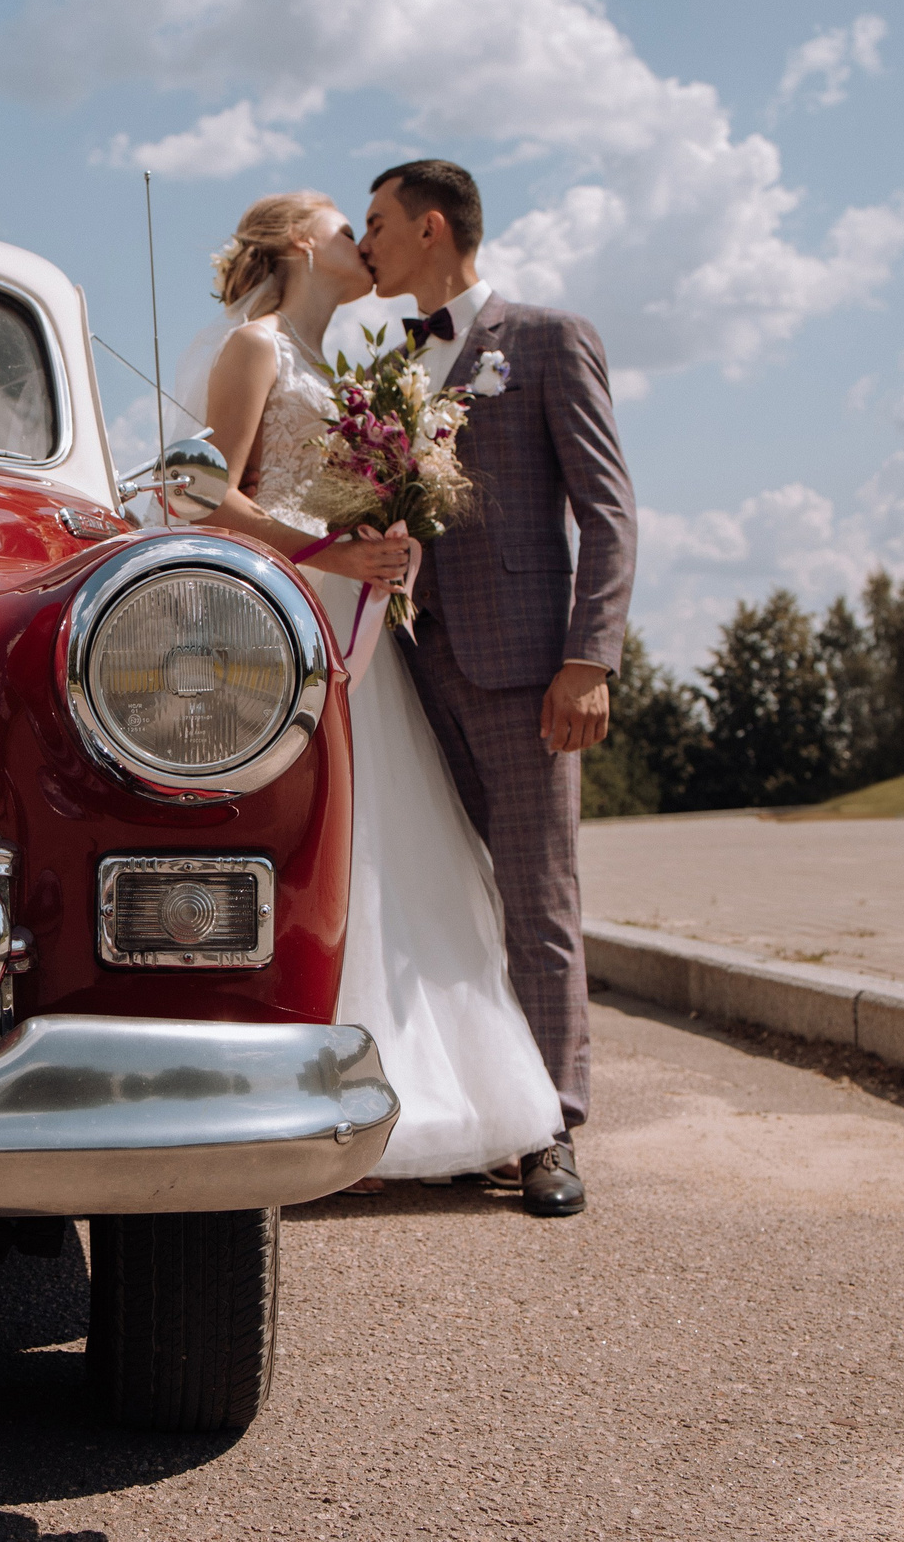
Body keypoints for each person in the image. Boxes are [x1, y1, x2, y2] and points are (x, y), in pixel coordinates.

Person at [185, 191, 567, 1201]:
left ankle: (440, 1100)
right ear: (304, 245)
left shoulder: (341, 366)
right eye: (343, 225)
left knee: (401, 855)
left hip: (365, 634)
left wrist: (388, 543)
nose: (363, 241)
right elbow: (199, 494)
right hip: (295, 624)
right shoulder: (256, 348)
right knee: (322, 850)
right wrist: (329, 548)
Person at [358, 160, 637, 1217]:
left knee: (538, 900)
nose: (367, 241)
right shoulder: (391, 363)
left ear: (432, 229)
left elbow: (608, 513)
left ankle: (551, 1127)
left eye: (378, 223)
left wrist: (588, 658)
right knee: (442, 897)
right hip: (407, 666)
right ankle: (475, 1104)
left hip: (524, 668)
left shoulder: (550, 339)